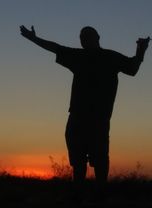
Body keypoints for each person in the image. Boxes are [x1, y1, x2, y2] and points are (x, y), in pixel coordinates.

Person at [20, 25, 150, 184]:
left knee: (99, 160)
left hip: (97, 119)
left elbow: (132, 68)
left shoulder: (109, 57)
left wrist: (141, 50)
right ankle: (80, 198)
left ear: (98, 38)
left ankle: (97, 198)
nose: (84, 39)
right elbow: (55, 48)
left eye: (87, 36)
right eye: (82, 37)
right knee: (80, 162)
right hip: (78, 118)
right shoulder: (81, 56)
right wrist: (34, 39)